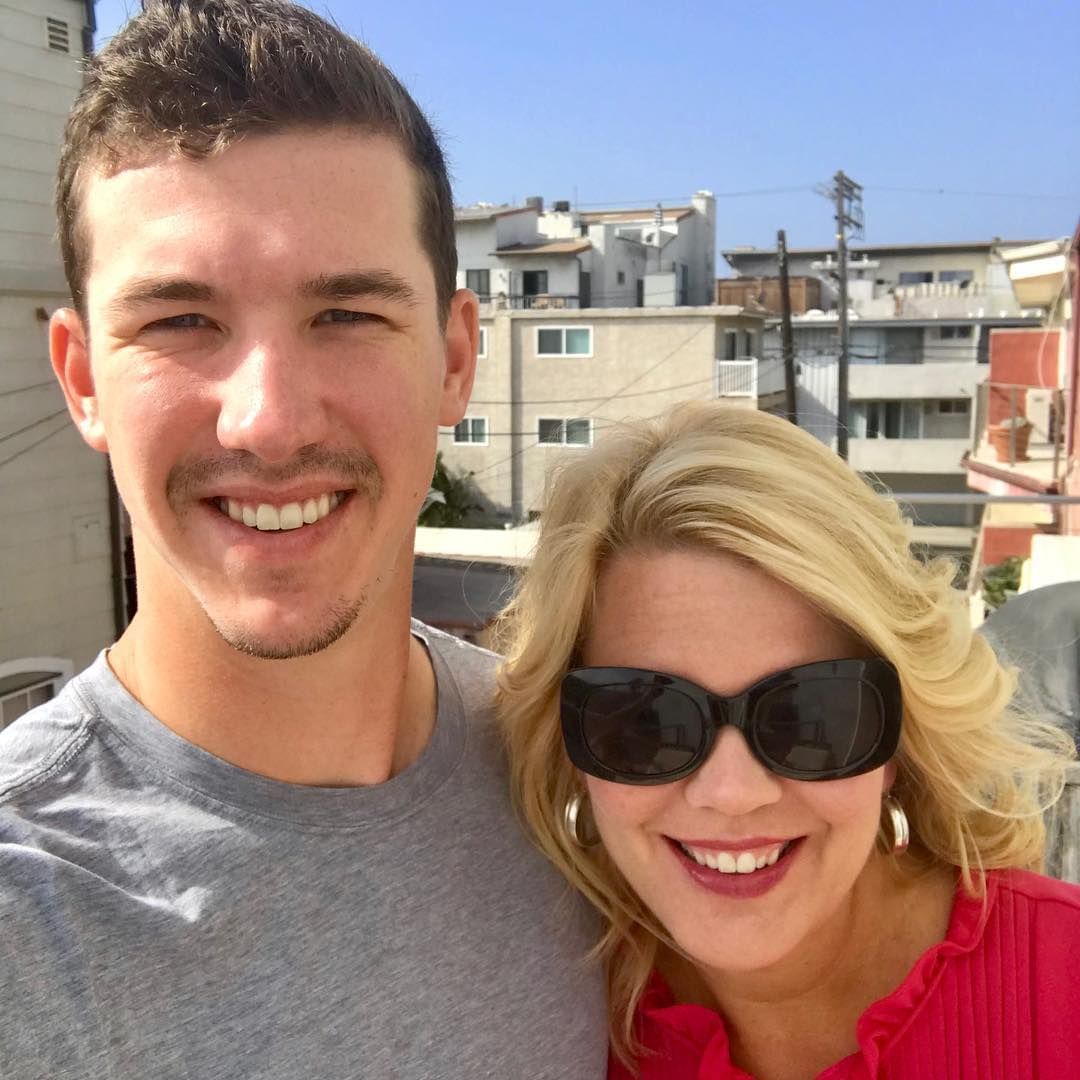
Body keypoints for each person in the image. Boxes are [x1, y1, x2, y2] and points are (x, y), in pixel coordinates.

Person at [0, 2, 606, 1077]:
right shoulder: (28, 920)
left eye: (347, 316)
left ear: (455, 361)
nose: (269, 420)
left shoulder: (588, 782)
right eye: (181, 322)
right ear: (84, 378)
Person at [496, 401, 1080, 1079]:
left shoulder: (1061, 990)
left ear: (898, 740)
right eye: (647, 722)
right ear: (573, 751)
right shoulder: (531, 1017)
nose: (733, 793)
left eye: (809, 716)